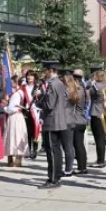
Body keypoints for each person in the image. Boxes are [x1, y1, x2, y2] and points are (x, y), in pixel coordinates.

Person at [36, 61, 72, 189]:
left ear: (50, 70)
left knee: (51, 152)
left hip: (52, 121)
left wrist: (39, 99)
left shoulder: (52, 84)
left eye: (45, 70)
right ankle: (57, 176)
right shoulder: (61, 83)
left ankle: (53, 179)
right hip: (60, 121)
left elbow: (49, 104)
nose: (44, 73)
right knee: (56, 151)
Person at [3, 72, 30, 167]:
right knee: (18, 136)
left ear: (15, 82)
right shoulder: (21, 92)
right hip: (19, 116)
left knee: (13, 136)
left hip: (14, 116)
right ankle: (18, 160)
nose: (11, 84)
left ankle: (12, 161)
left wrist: (4, 107)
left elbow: (11, 108)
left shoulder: (16, 94)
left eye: (12, 82)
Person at [88, 66, 106, 168]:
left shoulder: (95, 87)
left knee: (98, 139)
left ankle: (100, 161)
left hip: (96, 113)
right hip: (105, 113)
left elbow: (89, 96)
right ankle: (101, 159)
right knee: (102, 138)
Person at [21, 70, 41, 159]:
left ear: (34, 77)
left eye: (31, 76)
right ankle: (28, 151)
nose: (29, 77)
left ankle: (35, 151)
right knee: (27, 132)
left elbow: (41, 99)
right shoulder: (23, 87)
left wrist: (38, 95)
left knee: (35, 131)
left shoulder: (38, 87)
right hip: (26, 111)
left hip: (35, 112)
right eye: (28, 76)